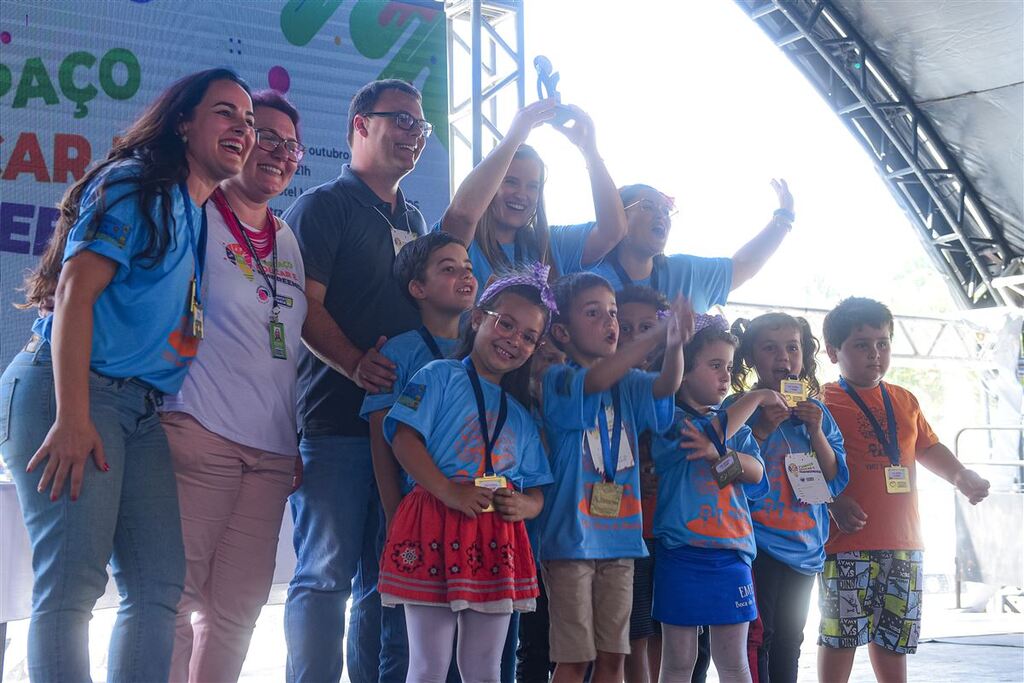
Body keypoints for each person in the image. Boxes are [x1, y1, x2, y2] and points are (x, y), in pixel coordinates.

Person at [0, 68, 255, 681]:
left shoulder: (197, 211)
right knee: (71, 585)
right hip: (72, 394)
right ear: (183, 123)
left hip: (138, 411)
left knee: (158, 584)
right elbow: (73, 293)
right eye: (226, 113)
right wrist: (71, 415)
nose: (242, 130)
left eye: (248, 122)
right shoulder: (136, 182)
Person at [283, 78, 430, 683]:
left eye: (419, 126)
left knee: (387, 575)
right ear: (358, 125)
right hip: (334, 425)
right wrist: (352, 362)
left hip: (401, 435)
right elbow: (300, 305)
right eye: (399, 120)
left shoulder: (417, 219)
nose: (411, 135)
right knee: (324, 575)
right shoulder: (322, 206)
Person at [159, 90, 308, 683]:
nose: (278, 152)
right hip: (199, 431)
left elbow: (291, 333)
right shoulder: (195, 210)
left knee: (238, 610)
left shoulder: (287, 237)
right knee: (171, 599)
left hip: (271, 452)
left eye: (291, 146)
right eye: (264, 135)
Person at [378, 266, 557, 683]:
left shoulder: (522, 416)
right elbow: (403, 439)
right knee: (427, 665)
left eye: (528, 337)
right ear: (478, 318)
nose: (514, 339)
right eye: (506, 323)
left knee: (484, 668)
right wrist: (447, 491)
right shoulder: (438, 376)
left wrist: (524, 504)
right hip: (432, 522)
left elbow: (538, 492)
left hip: (495, 537)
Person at [818, 297, 990, 683]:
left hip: (905, 541)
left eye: (882, 343)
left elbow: (927, 446)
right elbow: (802, 464)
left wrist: (962, 477)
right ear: (833, 351)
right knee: (840, 637)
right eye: (861, 345)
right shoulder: (823, 401)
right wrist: (832, 502)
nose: (875, 354)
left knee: (895, 638)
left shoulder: (904, 399)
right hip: (846, 542)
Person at [536, 272, 691, 683]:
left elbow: (665, 386)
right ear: (562, 332)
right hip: (571, 541)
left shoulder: (631, 383)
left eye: (613, 313)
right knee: (574, 659)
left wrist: (674, 346)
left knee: (613, 657)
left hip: (621, 541)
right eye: (594, 313)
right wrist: (657, 334)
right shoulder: (560, 379)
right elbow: (597, 379)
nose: (611, 323)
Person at [358, 231, 477, 681]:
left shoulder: (489, 352)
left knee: (473, 639)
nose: (464, 274)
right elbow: (381, 437)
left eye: (467, 267)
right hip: (416, 517)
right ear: (417, 288)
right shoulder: (400, 352)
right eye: (448, 268)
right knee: (406, 642)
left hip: (474, 518)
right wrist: (394, 513)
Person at [651, 315, 789, 683]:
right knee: (678, 660)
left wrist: (719, 458)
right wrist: (756, 396)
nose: (726, 375)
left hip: (731, 556)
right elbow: (711, 435)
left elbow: (755, 473)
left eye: (729, 366)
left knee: (734, 661)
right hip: (680, 554)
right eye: (715, 366)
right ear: (683, 372)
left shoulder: (736, 430)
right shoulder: (672, 422)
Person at [727, 313, 848, 683]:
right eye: (771, 348)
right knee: (758, 637)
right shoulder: (741, 407)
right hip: (757, 545)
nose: (784, 358)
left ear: (804, 355)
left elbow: (834, 478)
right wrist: (762, 427)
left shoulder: (818, 412)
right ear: (750, 358)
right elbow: (726, 471)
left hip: (806, 547)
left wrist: (815, 430)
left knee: (791, 639)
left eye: (792, 348)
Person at [440, 100, 627, 290]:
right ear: (491, 186)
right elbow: (462, 214)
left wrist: (590, 151)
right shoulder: (466, 241)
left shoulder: (551, 244)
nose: (522, 194)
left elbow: (612, 232)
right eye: (511, 182)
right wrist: (514, 138)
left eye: (532, 186)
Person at [589, 181, 794, 311]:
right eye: (648, 207)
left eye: (666, 211)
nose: (661, 215)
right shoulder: (587, 279)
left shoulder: (686, 272)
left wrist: (783, 219)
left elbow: (744, 264)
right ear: (618, 216)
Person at [616, 285, 671, 683]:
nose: (636, 337)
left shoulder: (683, 386)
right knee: (632, 633)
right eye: (626, 325)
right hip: (621, 533)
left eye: (648, 328)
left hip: (673, 534)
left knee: (670, 632)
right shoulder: (600, 385)